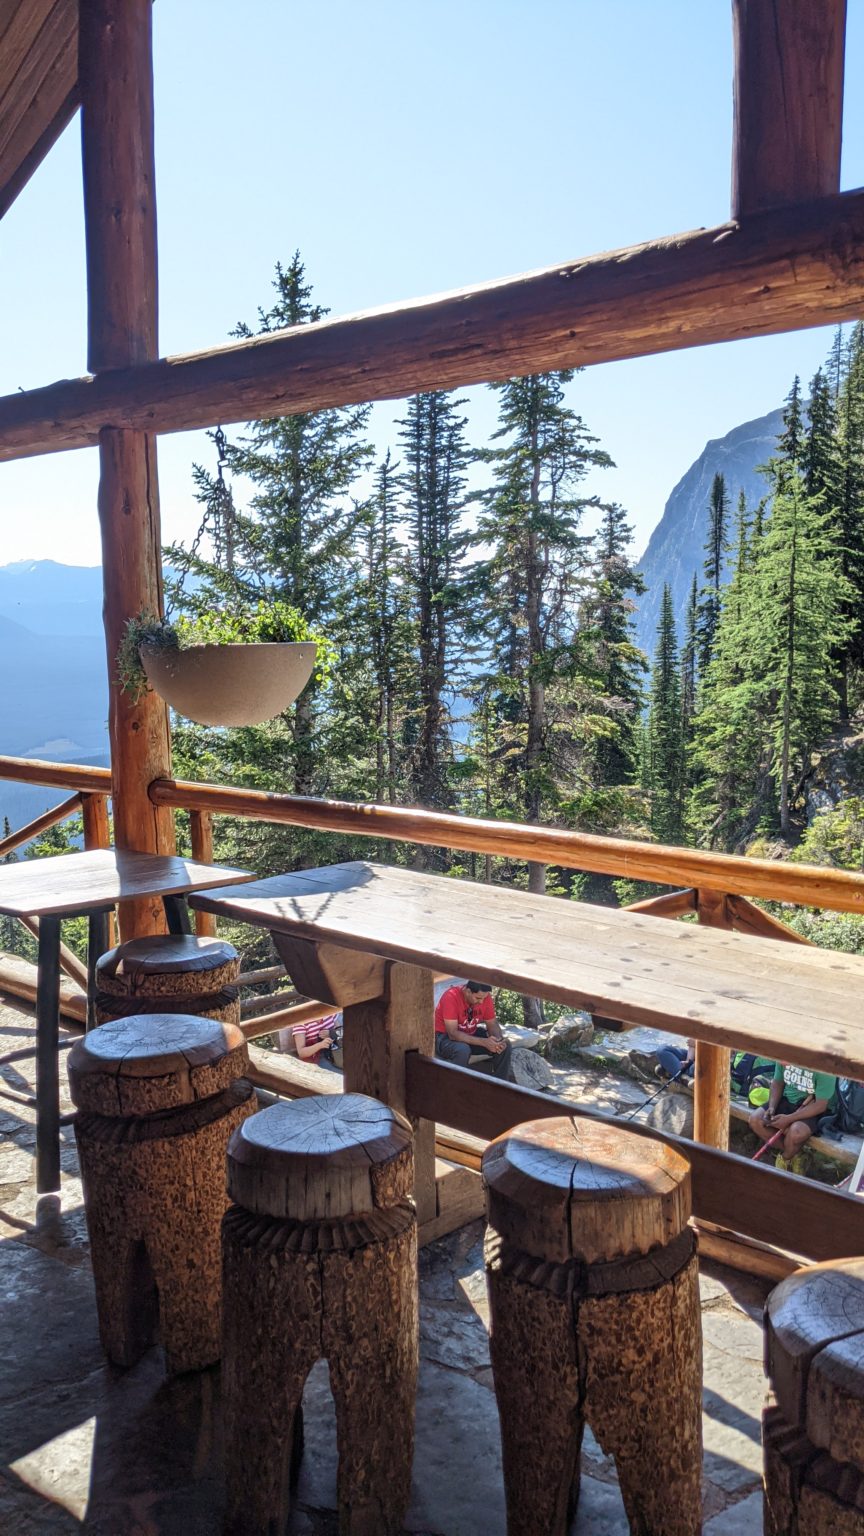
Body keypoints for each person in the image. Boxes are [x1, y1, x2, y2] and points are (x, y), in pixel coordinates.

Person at [749, 1060, 838, 1170]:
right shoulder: (784, 1056)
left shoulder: (824, 1067)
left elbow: (820, 1105)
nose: (782, 1063)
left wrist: (788, 1119)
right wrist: (772, 1107)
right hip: (788, 1099)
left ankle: (785, 1157)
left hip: (812, 1107)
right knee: (756, 1120)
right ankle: (796, 1154)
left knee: (796, 1132)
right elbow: (777, 1083)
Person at [434, 979, 514, 1081]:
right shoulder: (451, 996)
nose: (481, 1002)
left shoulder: (485, 997)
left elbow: (492, 1024)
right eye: (478, 998)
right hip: (445, 1037)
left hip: (470, 1033)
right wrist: (484, 1042)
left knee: (505, 1045)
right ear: (468, 991)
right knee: (463, 1050)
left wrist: (498, 1041)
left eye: (484, 998)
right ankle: (455, 1085)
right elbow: (452, 1034)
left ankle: (499, 1085)